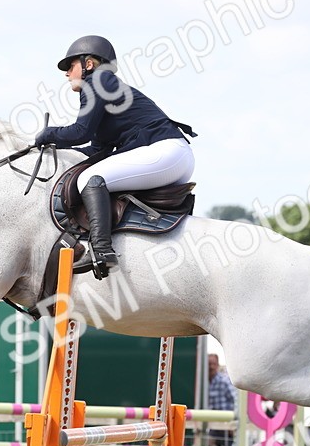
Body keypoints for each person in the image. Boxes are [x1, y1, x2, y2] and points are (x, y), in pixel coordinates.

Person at [34, 35, 196, 278]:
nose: (66, 73)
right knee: (94, 173)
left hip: (164, 151)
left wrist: (48, 134)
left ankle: (101, 251)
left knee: (89, 179)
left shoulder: (98, 80)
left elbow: (80, 132)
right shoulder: (106, 89)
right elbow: (94, 151)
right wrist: (57, 151)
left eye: (71, 66)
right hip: (171, 156)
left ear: (88, 64)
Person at [206, 353, 236, 446]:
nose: (211, 367)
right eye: (209, 364)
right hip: (213, 424)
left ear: (217, 365)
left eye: (213, 364)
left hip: (226, 425)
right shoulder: (204, 382)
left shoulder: (224, 381)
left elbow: (236, 401)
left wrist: (233, 423)